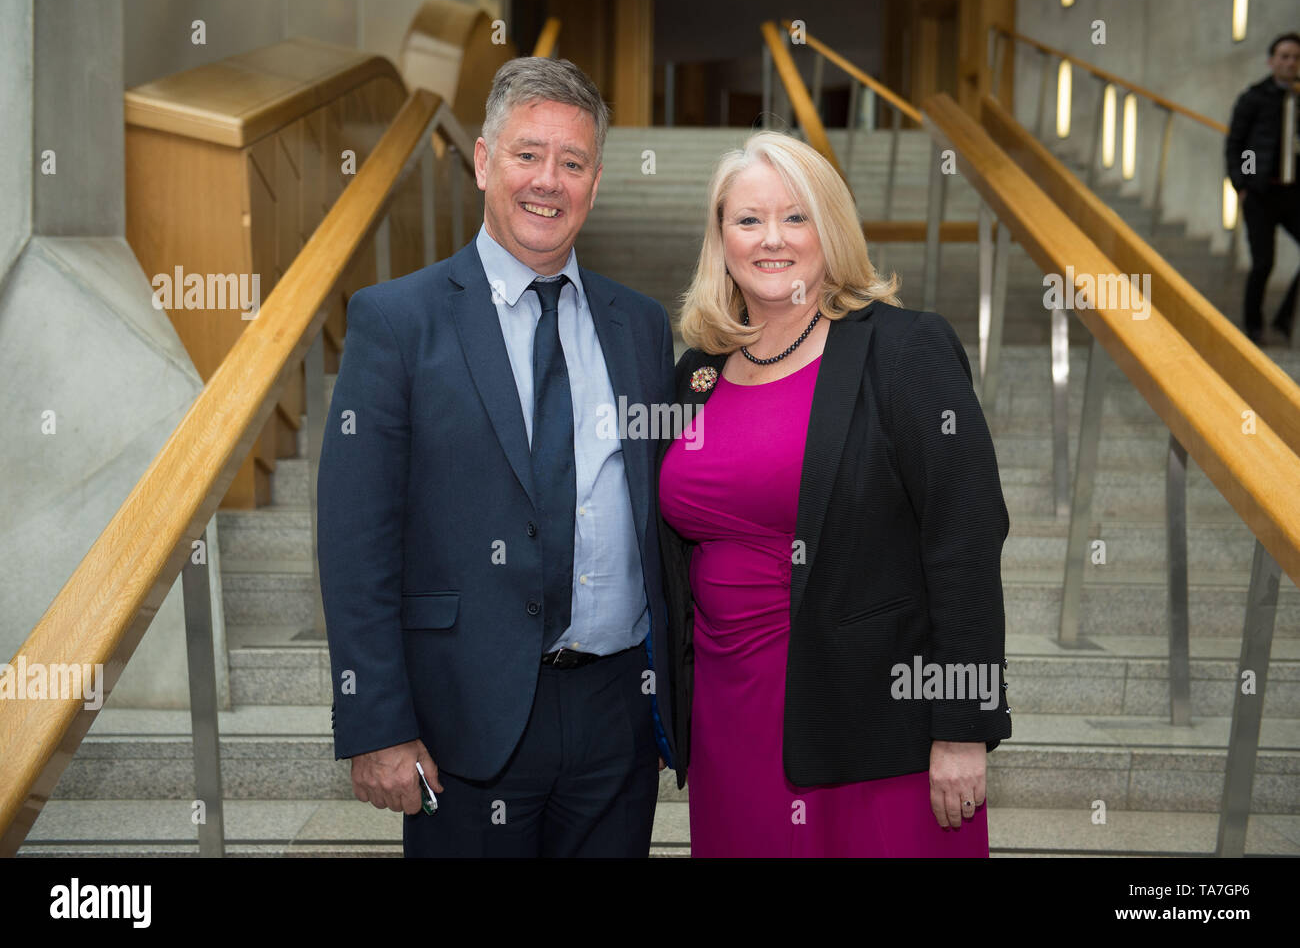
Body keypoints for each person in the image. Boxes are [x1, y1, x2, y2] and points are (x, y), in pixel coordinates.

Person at [317, 57, 676, 858]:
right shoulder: (397, 321)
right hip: (462, 722)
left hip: (616, 720)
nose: (548, 181)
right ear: (483, 162)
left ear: (595, 179)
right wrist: (378, 723)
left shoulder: (640, 326)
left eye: (573, 162)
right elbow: (355, 540)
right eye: (527, 155)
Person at [657, 131, 1011, 858]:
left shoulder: (903, 350)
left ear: (833, 228)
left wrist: (963, 724)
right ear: (720, 237)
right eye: (748, 219)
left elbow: (965, 538)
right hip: (729, 717)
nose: (771, 240)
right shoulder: (697, 372)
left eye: (797, 217)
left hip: (873, 723)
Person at [1226, 31, 1300, 348]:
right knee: (1263, 263)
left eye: (1296, 57)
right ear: (1272, 61)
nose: (1290, 62)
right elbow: (1240, 145)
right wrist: (1243, 184)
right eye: (1284, 56)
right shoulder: (1254, 98)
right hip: (1260, 194)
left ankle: (1284, 318)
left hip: (1294, 193)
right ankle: (1253, 327)